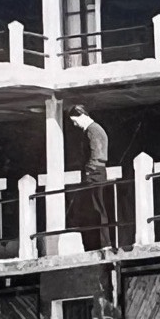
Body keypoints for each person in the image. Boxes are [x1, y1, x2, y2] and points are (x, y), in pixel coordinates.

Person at [67, 105, 115, 249]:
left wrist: (89, 171)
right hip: (97, 171)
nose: (75, 124)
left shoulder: (92, 130)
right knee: (98, 208)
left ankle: (101, 243)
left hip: (94, 172)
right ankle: (103, 242)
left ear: (82, 116)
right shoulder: (96, 129)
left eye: (75, 121)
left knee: (96, 208)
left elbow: (96, 154)